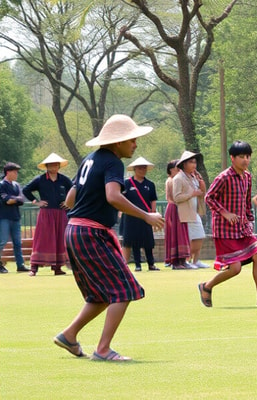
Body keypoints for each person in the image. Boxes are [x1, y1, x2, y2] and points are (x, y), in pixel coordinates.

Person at [53, 114, 164, 361]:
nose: (135, 144)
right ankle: (103, 350)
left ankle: (69, 335)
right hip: (91, 233)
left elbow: (70, 199)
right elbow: (113, 196)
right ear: (118, 143)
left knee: (103, 294)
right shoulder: (113, 163)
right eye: (132, 139)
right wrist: (146, 215)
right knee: (124, 290)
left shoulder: (88, 160)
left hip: (74, 229)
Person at [198, 141, 257, 308]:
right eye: (241, 157)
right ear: (232, 158)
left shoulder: (248, 176)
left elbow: (246, 201)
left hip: (242, 228)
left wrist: (249, 219)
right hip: (225, 230)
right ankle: (206, 286)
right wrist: (225, 213)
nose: (246, 160)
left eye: (248, 156)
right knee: (235, 268)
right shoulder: (223, 177)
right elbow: (209, 197)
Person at [22, 153, 72, 276]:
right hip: (46, 213)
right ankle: (34, 268)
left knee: (60, 239)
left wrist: (69, 203)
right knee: (42, 239)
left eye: (56, 164)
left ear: (59, 166)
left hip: (61, 213)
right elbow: (26, 190)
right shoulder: (40, 179)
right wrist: (36, 202)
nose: (54, 167)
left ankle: (57, 267)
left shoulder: (64, 180)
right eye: (51, 165)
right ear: (47, 166)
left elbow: (75, 190)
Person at [119, 157, 159, 272]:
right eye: (140, 168)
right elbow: (121, 198)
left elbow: (153, 199)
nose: (143, 170)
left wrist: (153, 212)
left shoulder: (150, 184)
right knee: (134, 240)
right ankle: (138, 264)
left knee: (148, 240)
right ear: (135, 169)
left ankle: (151, 264)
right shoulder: (127, 183)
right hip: (131, 216)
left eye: (144, 168)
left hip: (146, 215)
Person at [173, 151, 209, 268]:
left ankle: (196, 260)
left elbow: (202, 191)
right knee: (189, 238)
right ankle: (186, 261)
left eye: (195, 162)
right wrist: (192, 194)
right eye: (191, 162)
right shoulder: (178, 178)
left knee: (199, 235)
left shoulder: (193, 177)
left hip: (194, 211)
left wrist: (200, 181)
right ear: (184, 164)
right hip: (185, 212)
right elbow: (176, 197)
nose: (194, 165)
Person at [0, 162, 29, 273]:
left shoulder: (16, 185)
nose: (16, 174)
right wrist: (15, 199)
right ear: (8, 172)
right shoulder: (2, 185)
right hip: (4, 217)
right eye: (14, 172)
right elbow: (7, 200)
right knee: (2, 241)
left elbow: (22, 200)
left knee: (17, 242)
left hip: (15, 217)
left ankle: (20, 265)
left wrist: (14, 199)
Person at [163, 160, 191, 270]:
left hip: (179, 208)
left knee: (182, 234)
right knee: (175, 234)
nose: (179, 168)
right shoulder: (171, 180)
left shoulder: (177, 179)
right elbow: (174, 197)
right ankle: (175, 261)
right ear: (171, 169)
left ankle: (182, 260)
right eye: (176, 167)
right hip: (174, 208)